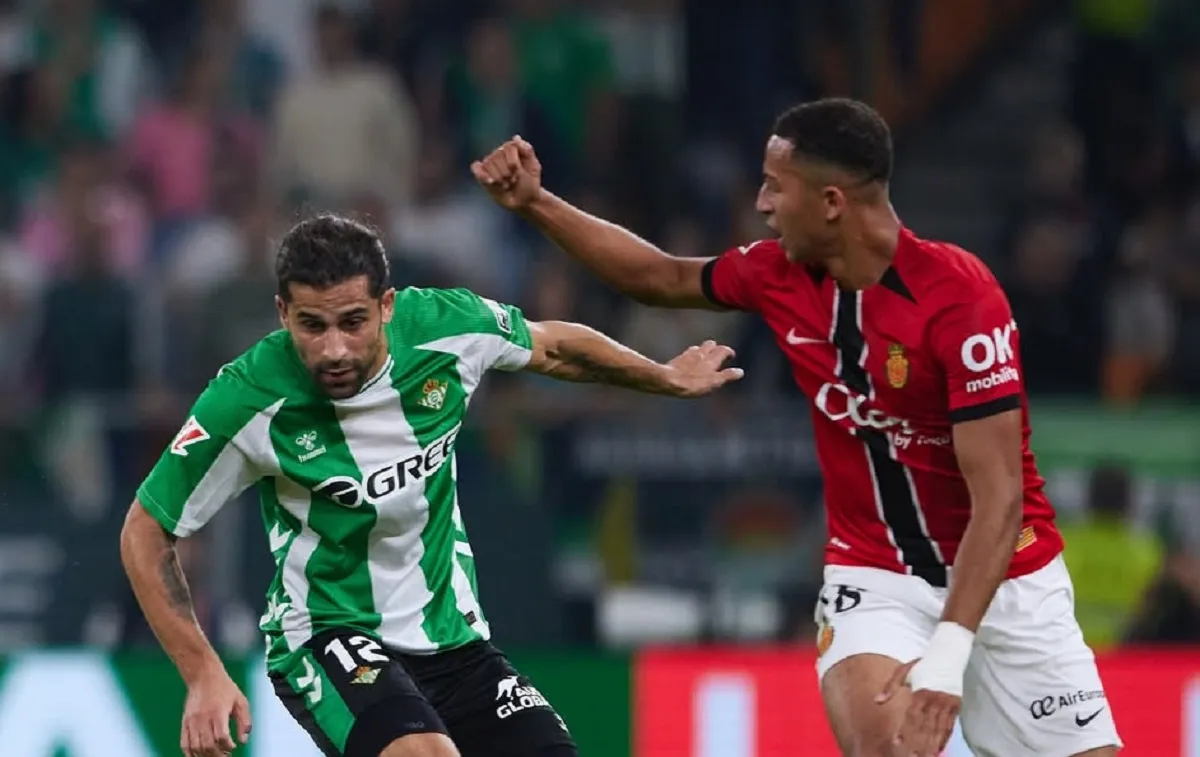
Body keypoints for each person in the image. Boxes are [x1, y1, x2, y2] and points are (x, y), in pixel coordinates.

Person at [471, 98, 1123, 757]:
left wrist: (951, 654)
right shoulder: (776, 275)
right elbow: (659, 276)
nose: (761, 203)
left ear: (833, 203)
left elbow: (1000, 499)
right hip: (878, 574)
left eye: (776, 185)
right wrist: (535, 203)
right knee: (890, 746)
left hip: (1010, 574)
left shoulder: (961, 300)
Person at [119, 213, 743, 757]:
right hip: (329, 635)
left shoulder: (447, 329)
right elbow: (147, 529)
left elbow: (552, 347)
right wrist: (201, 670)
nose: (333, 348)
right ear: (283, 313)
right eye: (311, 325)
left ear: (387, 306)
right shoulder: (247, 397)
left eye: (353, 322)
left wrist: (661, 376)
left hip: (453, 638)